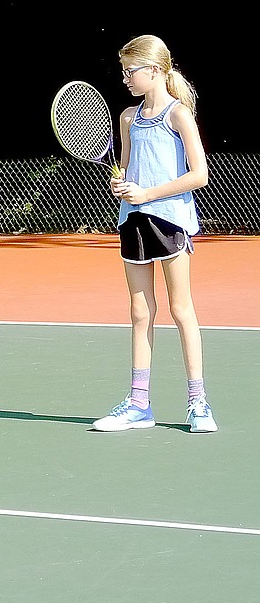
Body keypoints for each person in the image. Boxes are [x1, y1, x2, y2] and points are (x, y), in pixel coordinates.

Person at [92, 34, 217, 433]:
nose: (125, 78)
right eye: (124, 70)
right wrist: (123, 185)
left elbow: (199, 175)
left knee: (181, 310)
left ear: (157, 70)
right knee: (140, 312)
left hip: (170, 221)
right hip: (133, 222)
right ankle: (138, 404)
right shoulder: (127, 117)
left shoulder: (179, 115)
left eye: (132, 70)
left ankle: (199, 404)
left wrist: (148, 193)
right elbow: (127, 168)